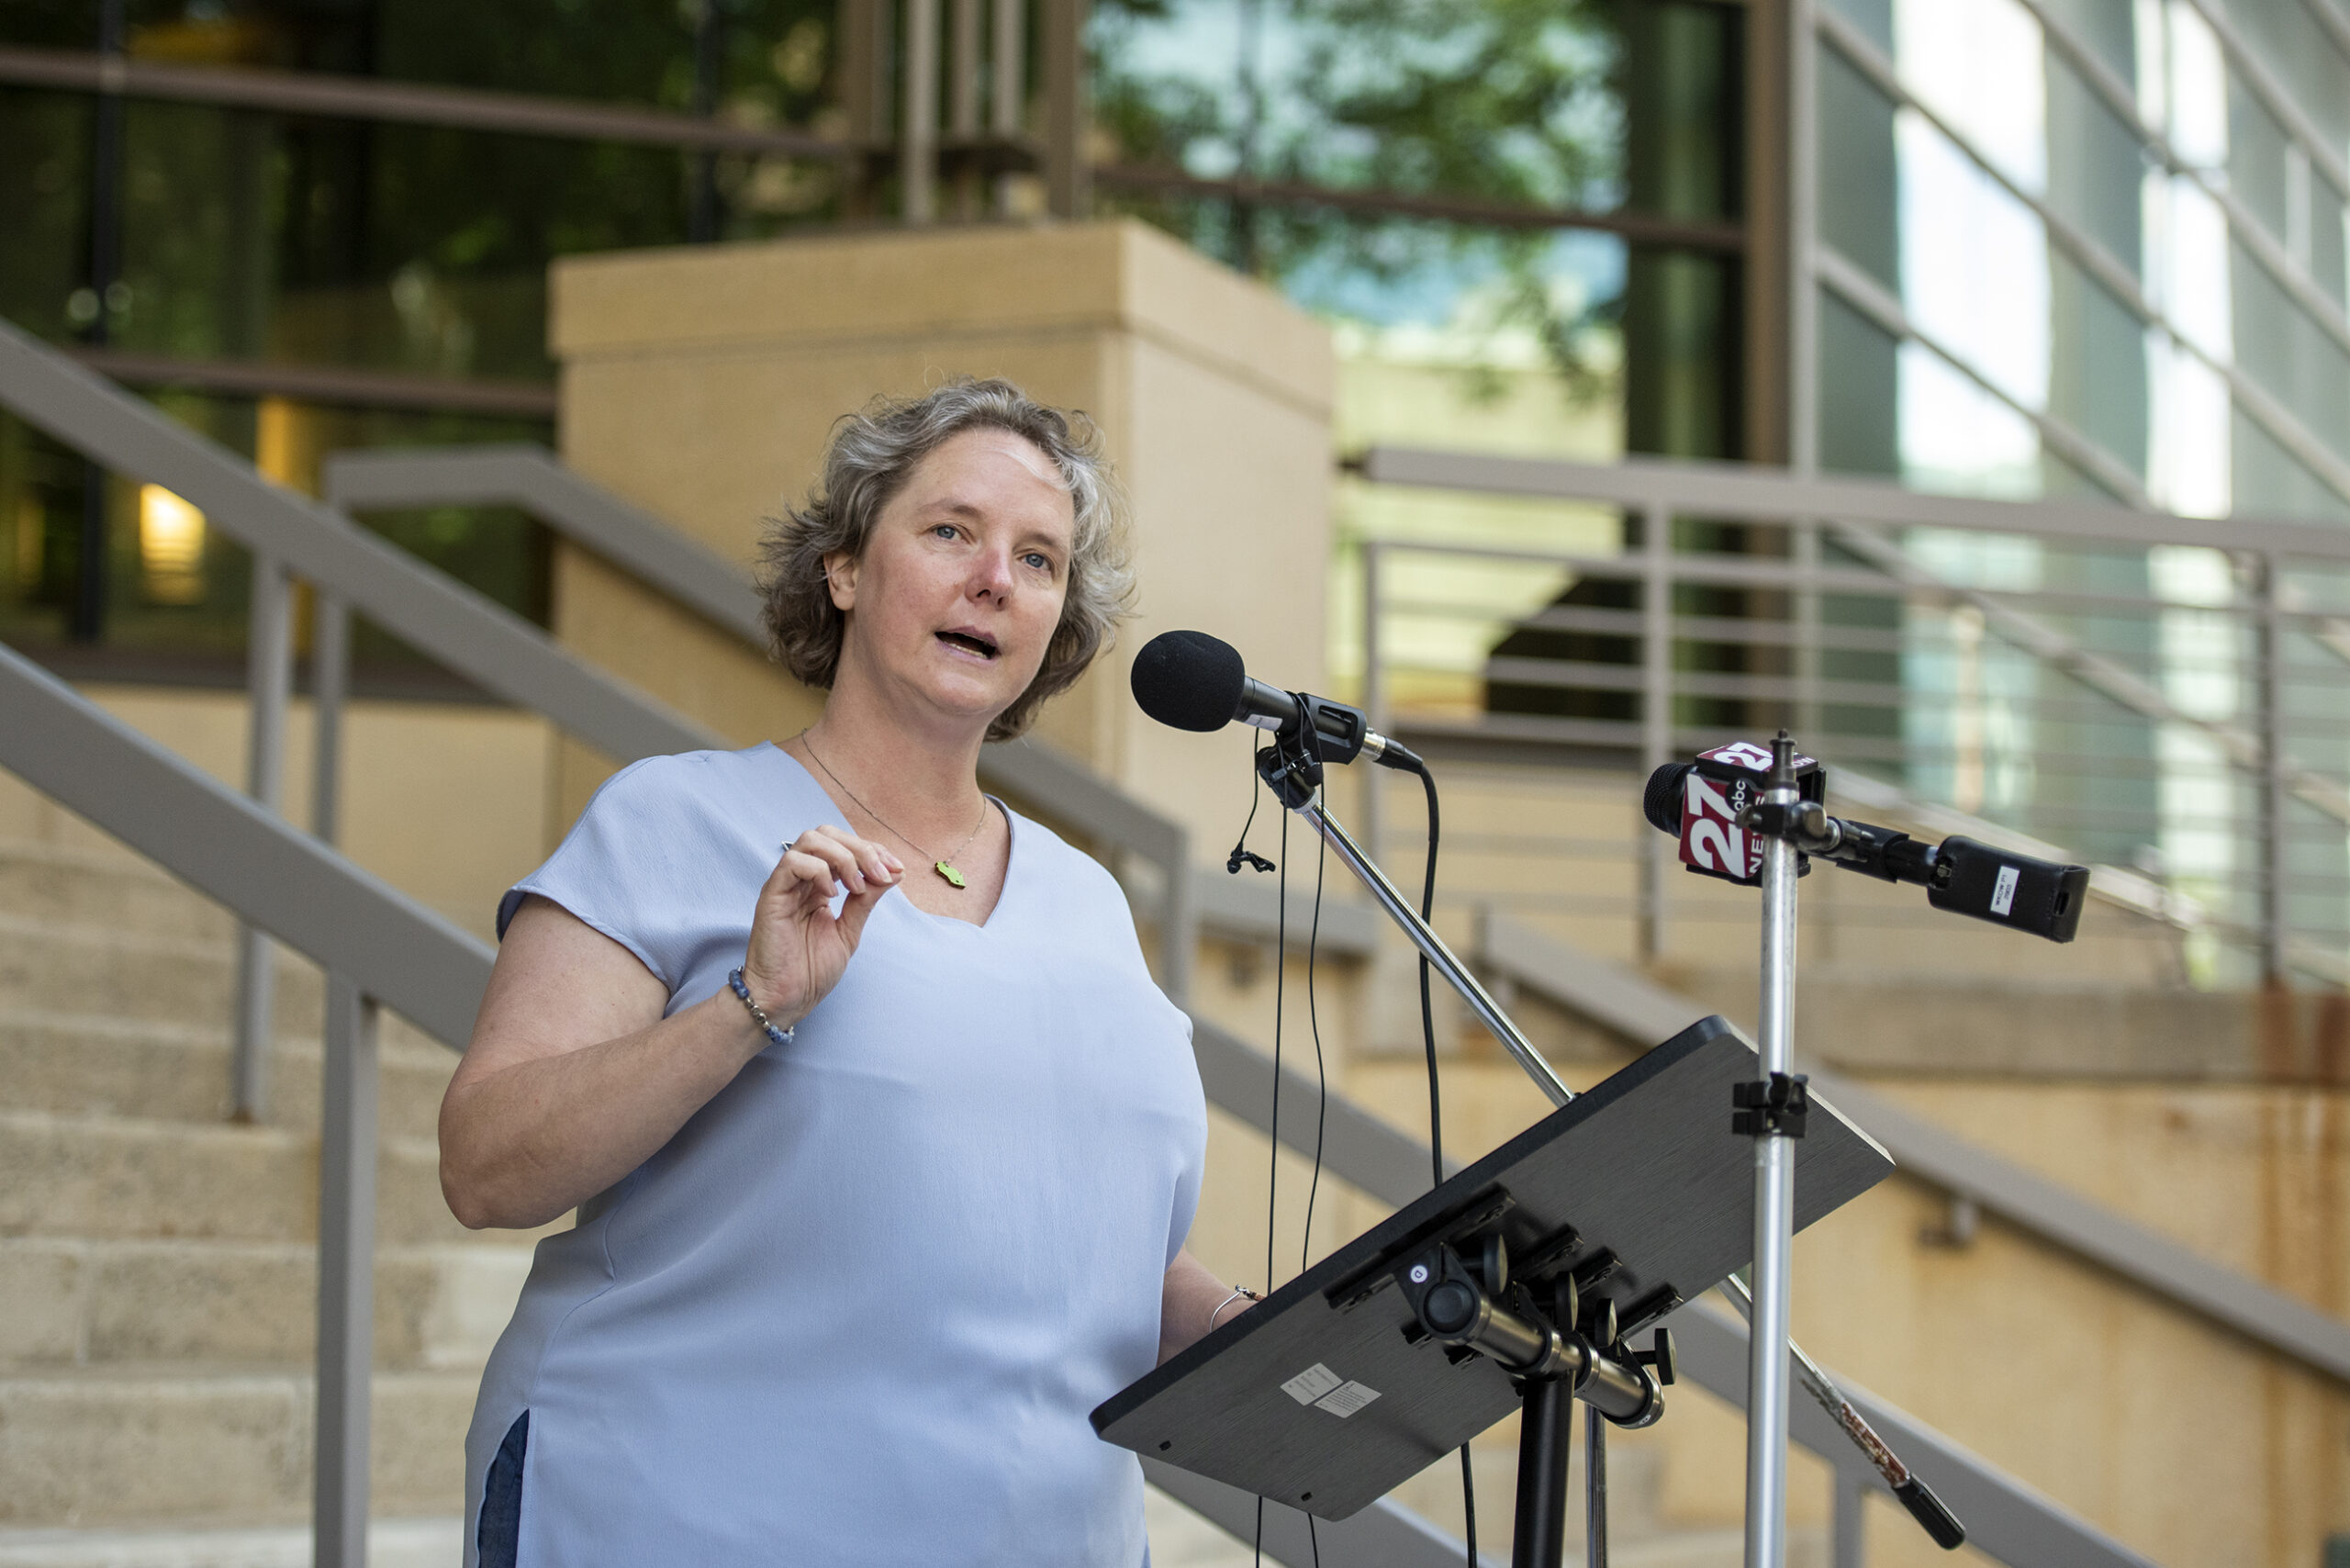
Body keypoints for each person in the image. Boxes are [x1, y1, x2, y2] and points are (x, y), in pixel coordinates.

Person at [441, 380, 1256, 1566]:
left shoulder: (1088, 902)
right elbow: (485, 1165)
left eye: (1039, 560)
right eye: (950, 532)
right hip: (672, 1519)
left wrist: (1253, 1328)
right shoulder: (678, 819)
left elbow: (1091, 1244)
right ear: (843, 568)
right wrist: (751, 1006)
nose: (995, 579)